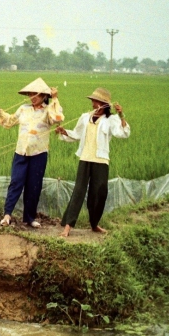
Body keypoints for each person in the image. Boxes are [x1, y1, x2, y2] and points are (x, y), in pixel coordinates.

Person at [55, 87, 130, 237]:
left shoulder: (111, 120)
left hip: (101, 160)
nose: (94, 104)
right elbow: (76, 134)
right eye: (93, 101)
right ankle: (68, 225)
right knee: (79, 191)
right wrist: (64, 132)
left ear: (105, 105)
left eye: (97, 101)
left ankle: (94, 224)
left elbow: (123, 133)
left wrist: (121, 115)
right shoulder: (85, 117)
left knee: (99, 193)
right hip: (85, 158)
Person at [0, 77, 64, 228]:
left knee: (34, 185)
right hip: (21, 152)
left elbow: (58, 118)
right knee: (16, 182)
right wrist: (0, 112)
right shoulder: (23, 109)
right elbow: (10, 121)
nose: (32, 97)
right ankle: (7, 215)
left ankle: (29, 218)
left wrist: (55, 99)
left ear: (44, 96)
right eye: (30, 94)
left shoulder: (47, 111)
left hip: (39, 154)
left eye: (36, 94)